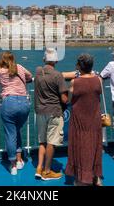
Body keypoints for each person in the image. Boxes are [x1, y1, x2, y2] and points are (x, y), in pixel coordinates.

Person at [0, 51, 32, 175]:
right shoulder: (20, 67)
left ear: (2, 60)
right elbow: (30, 76)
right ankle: (19, 160)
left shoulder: (1, 71)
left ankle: (13, 165)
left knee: (10, 133)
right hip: (24, 102)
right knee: (16, 130)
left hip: (9, 103)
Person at [65, 54, 103, 186]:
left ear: (79, 66)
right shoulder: (99, 80)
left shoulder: (75, 82)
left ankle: (82, 179)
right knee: (95, 146)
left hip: (79, 120)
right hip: (94, 119)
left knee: (80, 146)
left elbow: (69, 100)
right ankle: (96, 176)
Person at [34, 48, 68, 181]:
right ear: (56, 61)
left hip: (40, 111)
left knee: (42, 141)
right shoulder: (58, 76)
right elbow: (64, 99)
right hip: (54, 112)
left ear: (44, 60)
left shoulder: (38, 73)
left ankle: (39, 167)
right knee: (51, 142)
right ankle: (47, 171)